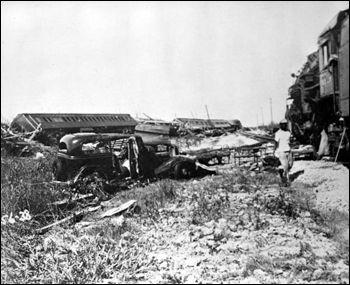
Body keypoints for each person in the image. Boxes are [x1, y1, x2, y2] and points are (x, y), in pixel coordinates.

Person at [274, 119, 293, 183]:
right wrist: (274, 151)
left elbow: (290, 141)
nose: (284, 125)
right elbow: (275, 143)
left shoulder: (288, 132)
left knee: (290, 164)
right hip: (281, 151)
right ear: (280, 125)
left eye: (285, 124)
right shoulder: (278, 133)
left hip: (289, 150)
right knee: (285, 166)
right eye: (283, 124)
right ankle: (287, 179)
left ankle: (281, 172)